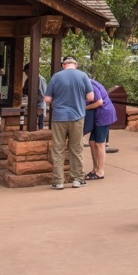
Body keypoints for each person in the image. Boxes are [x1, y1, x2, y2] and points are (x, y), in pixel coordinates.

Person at [44, 56, 94, 190]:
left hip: (59, 117)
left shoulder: (56, 77)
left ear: (63, 65)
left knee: (58, 149)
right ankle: (77, 179)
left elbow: (47, 98)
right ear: (76, 65)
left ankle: (58, 181)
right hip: (77, 116)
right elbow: (91, 97)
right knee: (76, 148)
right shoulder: (83, 76)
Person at [83, 77, 117, 180]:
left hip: (104, 115)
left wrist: (84, 108)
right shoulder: (89, 83)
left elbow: (99, 102)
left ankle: (100, 171)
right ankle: (95, 169)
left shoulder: (91, 86)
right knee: (92, 142)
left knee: (100, 144)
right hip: (97, 116)